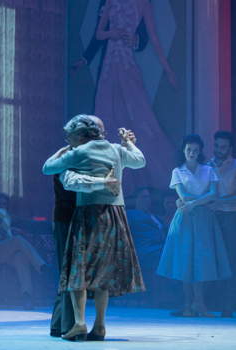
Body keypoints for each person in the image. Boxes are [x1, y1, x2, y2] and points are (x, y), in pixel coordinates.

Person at [43, 114, 146, 341]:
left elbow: (48, 168)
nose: (67, 139)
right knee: (103, 273)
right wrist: (128, 143)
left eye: (70, 136)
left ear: (80, 135)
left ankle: (79, 323)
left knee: (77, 270)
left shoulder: (79, 152)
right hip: (115, 215)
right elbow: (139, 161)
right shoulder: (116, 150)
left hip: (89, 214)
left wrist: (63, 151)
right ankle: (99, 325)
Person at [94, 0, 177, 192]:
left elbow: (154, 38)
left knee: (138, 116)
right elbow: (99, 33)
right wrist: (111, 33)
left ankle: (139, 180)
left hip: (126, 62)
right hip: (109, 64)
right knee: (108, 117)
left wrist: (168, 70)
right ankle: (107, 178)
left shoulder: (143, 3)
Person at [158, 134, 232, 317]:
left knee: (202, 260)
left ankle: (200, 303)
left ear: (200, 152)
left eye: (196, 150)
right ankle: (187, 304)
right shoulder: (178, 171)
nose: (192, 153)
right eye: (189, 149)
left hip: (205, 219)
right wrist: (197, 202)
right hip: (185, 219)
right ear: (184, 151)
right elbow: (183, 196)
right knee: (185, 260)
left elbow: (214, 194)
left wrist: (194, 203)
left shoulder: (208, 170)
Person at [0, 181, 45, 310]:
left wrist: (52, 225)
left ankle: (27, 296)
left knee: (20, 258)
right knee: (17, 240)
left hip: (7, 249)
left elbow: (26, 224)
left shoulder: (3, 212)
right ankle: (42, 267)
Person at [208, 131, 236, 317]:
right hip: (211, 217)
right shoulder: (207, 165)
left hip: (230, 217)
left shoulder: (235, 166)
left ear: (230, 148)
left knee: (230, 261)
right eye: (217, 146)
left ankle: (228, 305)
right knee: (213, 260)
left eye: (223, 147)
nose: (219, 150)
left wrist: (221, 200)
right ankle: (211, 304)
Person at [126, 187, 166, 306]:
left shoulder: (155, 216)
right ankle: (156, 299)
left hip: (160, 248)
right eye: (144, 197)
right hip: (144, 250)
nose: (147, 200)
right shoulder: (131, 214)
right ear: (136, 199)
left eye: (148, 197)